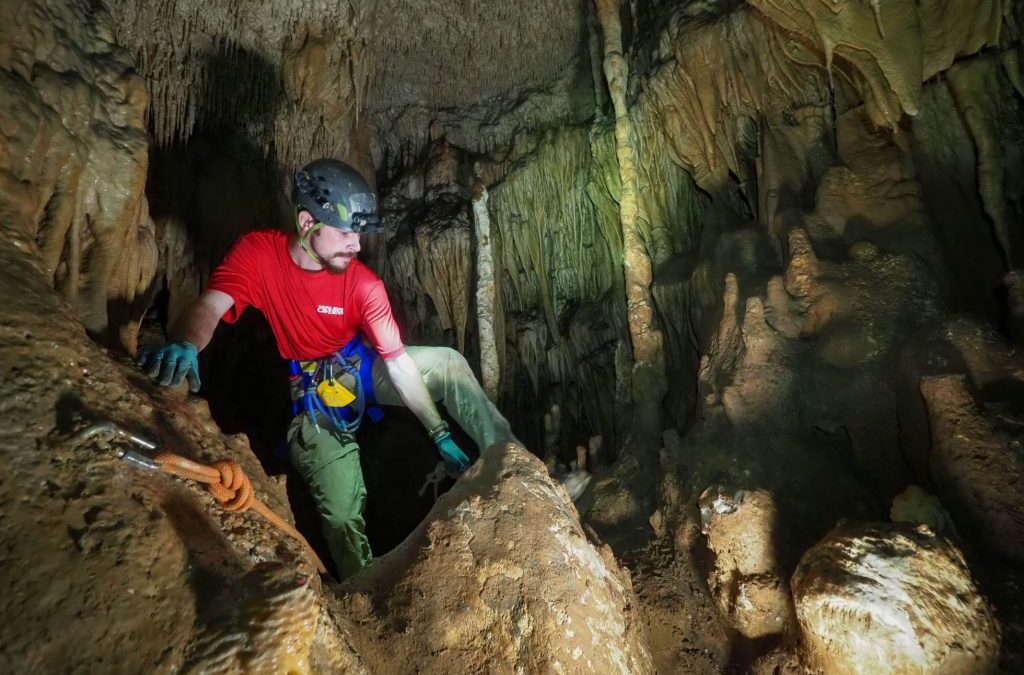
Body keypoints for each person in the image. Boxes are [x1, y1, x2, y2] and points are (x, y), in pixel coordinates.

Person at [136, 158, 517, 578]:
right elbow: (212, 305)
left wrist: (439, 432)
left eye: (359, 233)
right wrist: (187, 342)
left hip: (365, 366)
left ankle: (510, 461)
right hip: (316, 395)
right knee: (339, 511)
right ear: (306, 222)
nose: (356, 245)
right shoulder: (259, 255)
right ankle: (363, 593)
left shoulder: (364, 285)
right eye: (346, 232)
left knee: (447, 363)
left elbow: (399, 364)